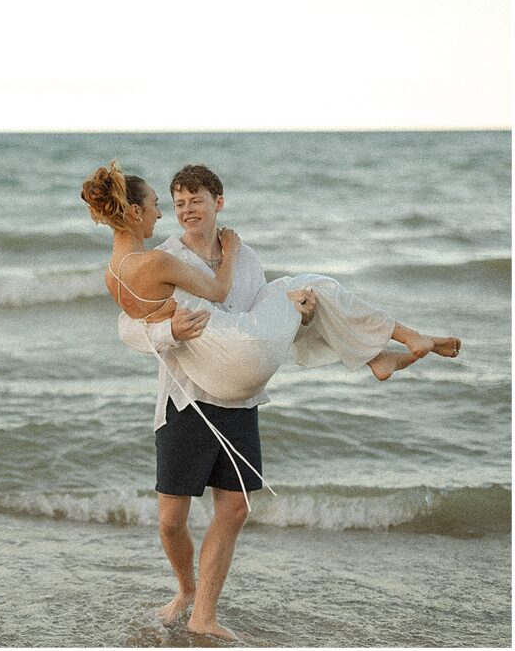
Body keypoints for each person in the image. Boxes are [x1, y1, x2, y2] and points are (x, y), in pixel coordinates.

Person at [80, 160, 460, 640]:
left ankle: (205, 614)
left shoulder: (247, 259)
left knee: (235, 507)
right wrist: (165, 329)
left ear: (219, 203)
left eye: (195, 200)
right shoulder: (165, 255)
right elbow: (127, 325)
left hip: (239, 393)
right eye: (175, 203)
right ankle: (185, 589)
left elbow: (256, 320)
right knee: (171, 520)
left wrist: (291, 318)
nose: (183, 210)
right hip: (189, 398)